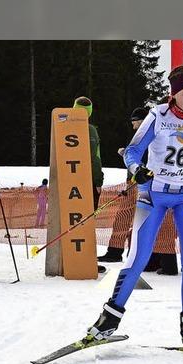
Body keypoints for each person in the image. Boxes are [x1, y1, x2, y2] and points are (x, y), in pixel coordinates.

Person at [85, 65, 183, 348]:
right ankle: (108, 320)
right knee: (138, 256)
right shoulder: (157, 116)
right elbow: (133, 151)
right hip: (154, 195)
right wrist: (137, 169)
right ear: (174, 94)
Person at [98, 107, 148, 263]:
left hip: (139, 183)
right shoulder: (141, 135)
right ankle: (117, 251)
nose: (132, 125)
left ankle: (119, 252)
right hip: (134, 182)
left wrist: (125, 153)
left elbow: (143, 157)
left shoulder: (145, 135)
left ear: (141, 121)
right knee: (125, 218)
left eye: (134, 121)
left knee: (128, 218)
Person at [73, 96, 106, 273]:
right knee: (87, 220)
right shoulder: (90, 130)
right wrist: (98, 181)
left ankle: (73, 256)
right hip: (87, 182)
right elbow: (95, 158)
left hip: (69, 183)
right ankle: (87, 259)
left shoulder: (65, 127)